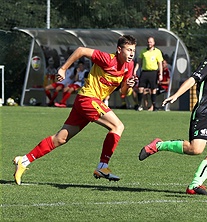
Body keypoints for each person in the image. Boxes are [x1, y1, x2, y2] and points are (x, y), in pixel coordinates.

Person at [13, 35, 137, 185]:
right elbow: (81, 50)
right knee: (118, 126)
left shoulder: (128, 66)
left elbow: (123, 92)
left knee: (60, 138)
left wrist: (129, 85)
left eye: (133, 51)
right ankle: (103, 166)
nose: (131, 53)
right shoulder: (107, 59)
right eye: (128, 50)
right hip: (88, 99)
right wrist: (63, 69)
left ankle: (24, 161)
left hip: (86, 102)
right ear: (119, 49)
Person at [138, 31, 207, 195]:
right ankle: (159, 145)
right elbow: (193, 79)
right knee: (196, 149)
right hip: (204, 113)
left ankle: (195, 185)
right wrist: (176, 95)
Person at [134, 36, 163, 111]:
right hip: (144, 72)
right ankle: (139, 105)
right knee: (140, 88)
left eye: (151, 42)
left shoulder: (157, 51)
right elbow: (139, 62)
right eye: (148, 42)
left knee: (153, 89)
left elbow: (160, 63)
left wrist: (161, 74)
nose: (149, 43)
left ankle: (154, 106)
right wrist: (135, 70)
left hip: (153, 72)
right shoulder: (143, 51)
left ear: (153, 43)